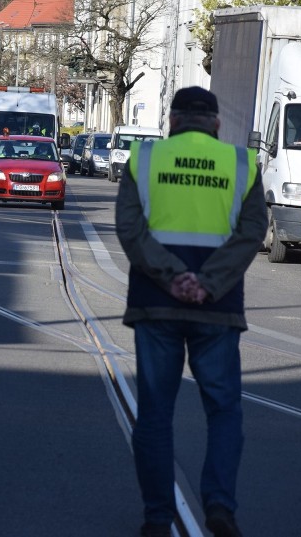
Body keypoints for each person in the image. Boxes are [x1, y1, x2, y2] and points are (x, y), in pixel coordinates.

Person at [114, 87, 268, 537]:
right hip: (216, 309)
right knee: (223, 410)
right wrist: (208, 283)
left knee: (156, 414)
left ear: (173, 121)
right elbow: (252, 231)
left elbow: (130, 227)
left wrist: (172, 276)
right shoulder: (241, 164)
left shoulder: (144, 160)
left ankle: (158, 519)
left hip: (155, 305)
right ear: (217, 125)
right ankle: (219, 506)